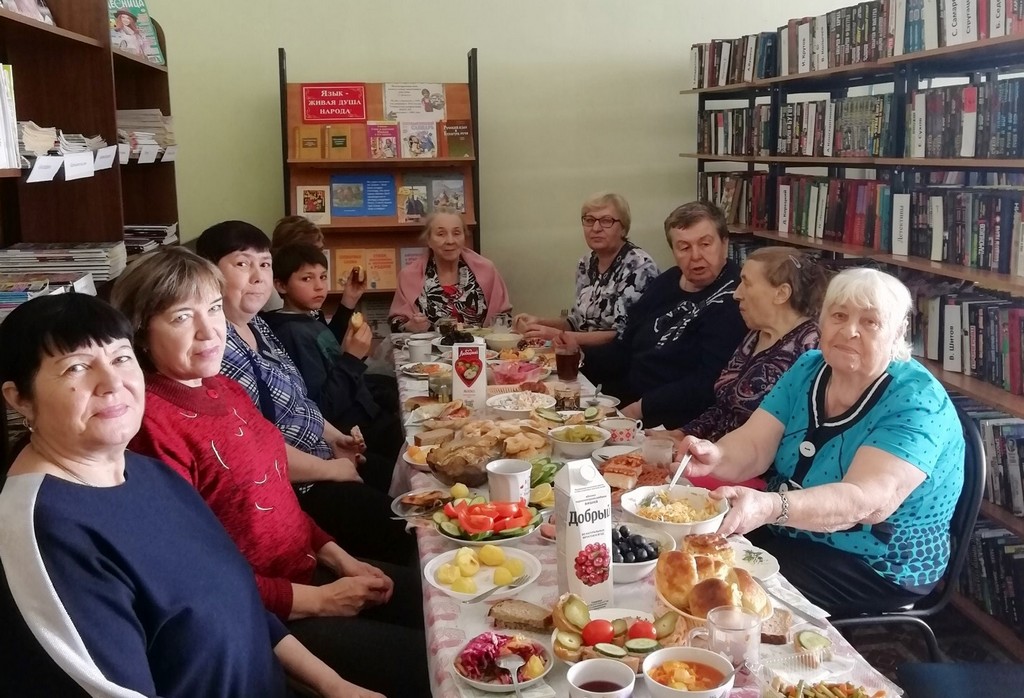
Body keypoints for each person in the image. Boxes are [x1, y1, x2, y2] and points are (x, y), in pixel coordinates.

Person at [0, 294, 372, 698]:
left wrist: (334, 686)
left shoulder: (150, 473)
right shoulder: (43, 531)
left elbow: (239, 600)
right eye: (76, 367)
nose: (112, 383)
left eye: (121, 358)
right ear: (19, 399)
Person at [109, 249, 428, 697]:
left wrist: (342, 559)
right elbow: (202, 583)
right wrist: (321, 601)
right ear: (140, 334)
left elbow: (277, 501)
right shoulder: (150, 429)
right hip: (267, 616)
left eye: (214, 309)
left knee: (445, 600)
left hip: (310, 572)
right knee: (432, 667)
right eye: (182, 318)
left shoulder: (224, 389)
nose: (209, 330)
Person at [681, 268, 966, 616]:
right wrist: (716, 455)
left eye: (870, 321)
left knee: (727, 596)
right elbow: (755, 444)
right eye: (839, 315)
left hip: (876, 561)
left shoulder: (918, 401)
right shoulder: (809, 367)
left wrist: (770, 507)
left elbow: (865, 502)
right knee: (692, 556)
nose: (849, 331)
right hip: (790, 529)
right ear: (822, 321)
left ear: (898, 330)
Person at [192, 222, 416, 564]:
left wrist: (336, 438)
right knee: (410, 530)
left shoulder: (258, 325)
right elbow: (253, 448)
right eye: (242, 264)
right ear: (208, 273)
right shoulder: (215, 350)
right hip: (301, 485)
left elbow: (299, 399)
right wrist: (331, 470)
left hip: (325, 454)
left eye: (264, 264)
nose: (258, 277)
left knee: (414, 482)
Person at [582, 201, 747, 429]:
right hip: (624, 395)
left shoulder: (736, 297)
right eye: (684, 247)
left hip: (672, 419)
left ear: (725, 243)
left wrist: (638, 408)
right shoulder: (668, 281)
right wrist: (578, 356)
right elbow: (625, 347)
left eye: (705, 244)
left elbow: (709, 381)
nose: (696, 256)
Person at [651, 247, 825, 448]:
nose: (736, 293)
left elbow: (789, 435)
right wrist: (683, 433)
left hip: (751, 461)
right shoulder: (756, 334)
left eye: (747, 283)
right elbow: (724, 406)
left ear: (781, 293)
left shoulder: (811, 348)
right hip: (715, 451)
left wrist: (707, 451)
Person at [262, 243, 404, 471]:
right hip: (349, 431)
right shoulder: (291, 333)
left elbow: (327, 349)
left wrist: (349, 300)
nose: (319, 286)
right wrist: (351, 359)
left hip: (363, 411)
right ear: (280, 285)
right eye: (306, 279)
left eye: (323, 277)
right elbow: (324, 406)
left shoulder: (307, 316)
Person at [514, 192, 659, 347]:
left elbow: (622, 335)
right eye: (589, 220)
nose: (596, 228)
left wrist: (557, 335)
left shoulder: (639, 265)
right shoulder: (586, 263)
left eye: (606, 221)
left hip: (620, 357)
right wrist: (538, 323)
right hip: (583, 354)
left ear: (623, 228)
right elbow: (578, 323)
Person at [390, 208, 513, 332]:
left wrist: (517, 324)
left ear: (464, 237)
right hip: (428, 344)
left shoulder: (486, 270)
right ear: (428, 240)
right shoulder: (409, 276)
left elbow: (505, 317)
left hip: (480, 344)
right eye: (441, 234)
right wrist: (409, 326)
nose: (450, 241)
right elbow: (396, 323)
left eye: (456, 233)